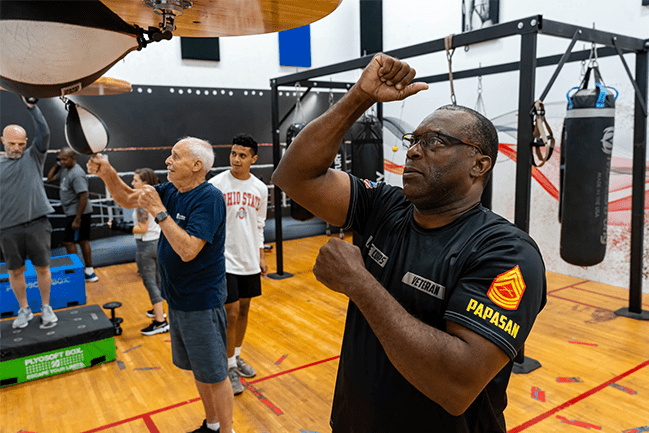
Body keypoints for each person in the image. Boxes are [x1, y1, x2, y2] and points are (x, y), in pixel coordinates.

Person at [271, 53, 547, 432]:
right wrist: (360, 97)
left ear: (479, 164)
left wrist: (359, 283)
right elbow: (294, 176)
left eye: (434, 141)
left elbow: (457, 385)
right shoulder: (385, 205)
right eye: (412, 139)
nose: (413, 151)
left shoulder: (506, 253)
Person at [88, 137, 234, 433]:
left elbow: (189, 249)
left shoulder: (209, 198)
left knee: (216, 374)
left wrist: (160, 212)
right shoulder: (171, 190)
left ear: (196, 165)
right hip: (177, 298)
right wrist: (107, 173)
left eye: (175, 156)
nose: (168, 161)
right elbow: (129, 198)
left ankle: (227, 431)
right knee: (200, 370)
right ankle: (213, 424)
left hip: (201, 301)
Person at [208, 133, 269, 395]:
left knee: (244, 309)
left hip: (249, 259)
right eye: (233, 153)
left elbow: (259, 224)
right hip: (224, 259)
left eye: (242, 155)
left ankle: (236, 355)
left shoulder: (260, 188)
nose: (236, 159)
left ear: (253, 159)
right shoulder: (216, 184)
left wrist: (261, 255)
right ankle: (229, 365)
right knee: (230, 311)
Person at [0, 96, 58, 329]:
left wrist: (32, 108)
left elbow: (44, 132)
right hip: (7, 227)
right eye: (12, 143)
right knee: (15, 271)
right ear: (3, 140)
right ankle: (24, 309)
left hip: (37, 223)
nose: (17, 148)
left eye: (21, 143)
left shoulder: (34, 156)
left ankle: (46, 307)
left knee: (43, 267)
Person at [110, 168, 168, 336]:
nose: (132, 183)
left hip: (147, 246)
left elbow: (142, 228)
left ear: (145, 183)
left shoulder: (142, 201)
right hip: (158, 243)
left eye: (135, 180)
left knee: (150, 284)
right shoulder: (156, 196)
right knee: (157, 282)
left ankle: (160, 322)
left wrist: (117, 226)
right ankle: (159, 310)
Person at [47, 147, 98, 282]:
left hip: (79, 213)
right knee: (80, 240)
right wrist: (58, 164)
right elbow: (50, 177)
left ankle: (82, 270)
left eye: (64, 159)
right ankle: (86, 271)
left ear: (72, 158)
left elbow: (83, 196)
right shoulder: (65, 170)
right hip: (72, 212)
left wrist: (77, 219)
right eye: (60, 159)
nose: (62, 162)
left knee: (72, 241)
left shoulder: (77, 174)